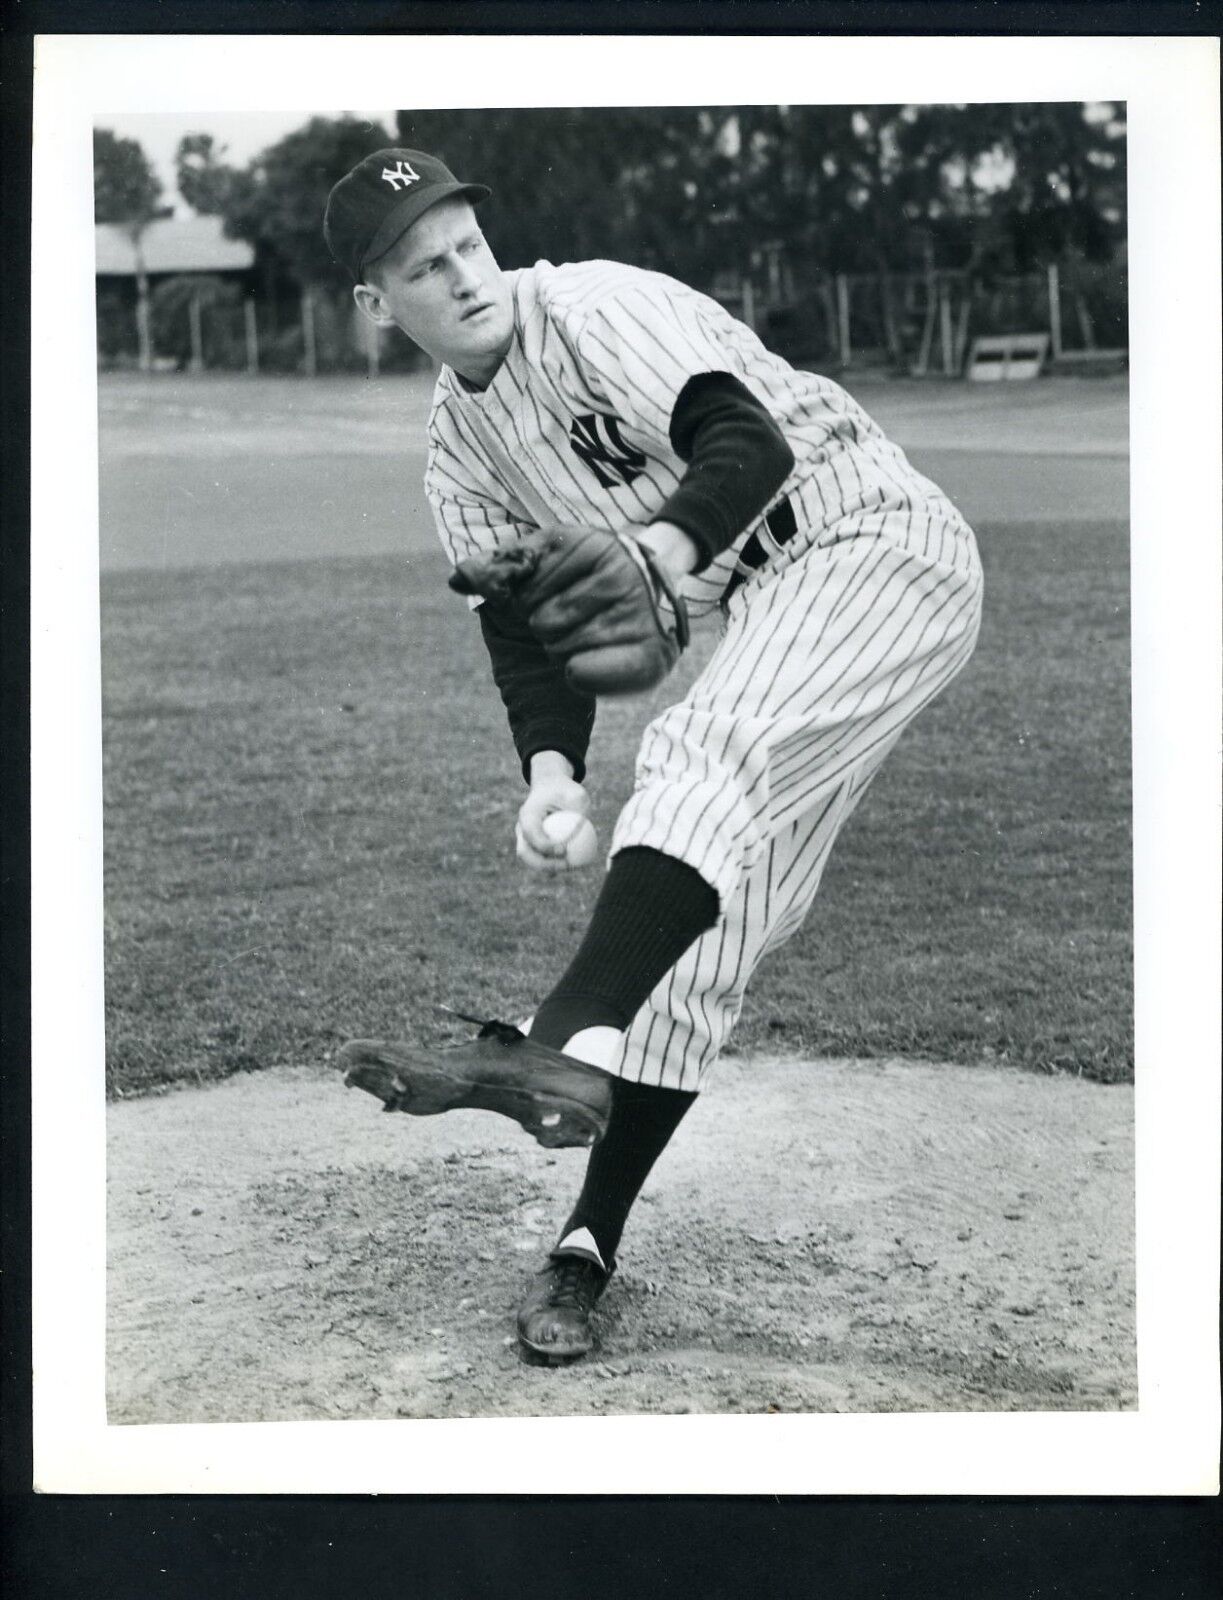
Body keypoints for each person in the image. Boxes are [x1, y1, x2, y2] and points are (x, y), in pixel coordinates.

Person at [323, 148, 984, 1365]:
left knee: (700, 746)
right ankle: (583, 1247)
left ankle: (553, 1032)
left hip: (871, 537)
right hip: (780, 600)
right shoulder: (457, 456)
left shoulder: (593, 309)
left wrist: (661, 557)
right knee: (694, 948)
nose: (462, 275)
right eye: (424, 265)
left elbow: (744, 442)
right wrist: (549, 775)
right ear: (378, 305)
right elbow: (522, 628)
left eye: (466, 240)